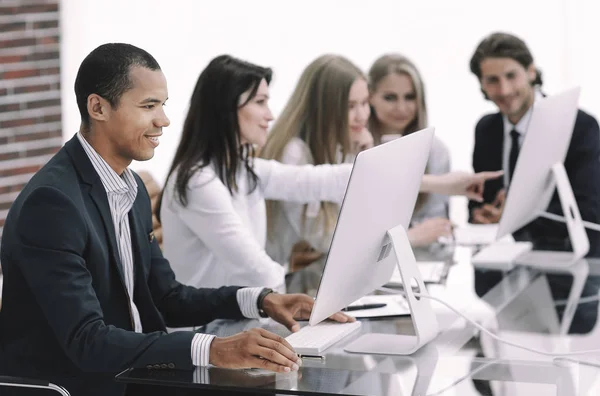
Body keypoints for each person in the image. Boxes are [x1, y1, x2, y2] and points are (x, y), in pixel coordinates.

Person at [0, 43, 353, 396]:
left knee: (280, 384)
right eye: (148, 106)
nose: (163, 120)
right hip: (83, 388)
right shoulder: (53, 204)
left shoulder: (130, 188)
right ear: (98, 107)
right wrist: (214, 349)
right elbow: (87, 340)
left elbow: (167, 296)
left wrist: (261, 300)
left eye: (163, 105)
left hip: (137, 376)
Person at [160, 54, 502, 294]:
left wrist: (442, 184)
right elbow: (259, 270)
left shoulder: (244, 170)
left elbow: (330, 180)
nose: (270, 114)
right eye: (260, 102)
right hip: (210, 331)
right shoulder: (199, 181)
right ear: (226, 111)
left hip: (243, 314)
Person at [468, 32, 600, 333]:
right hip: (503, 276)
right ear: (481, 85)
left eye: (511, 76)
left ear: (531, 71)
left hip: (573, 275)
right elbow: (480, 205)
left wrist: (516, 218)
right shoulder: (487, 130)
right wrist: (483, 217)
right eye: (492, 80)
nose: (504, 89)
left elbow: (589, 214)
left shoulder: (579, 127)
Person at [368, 53, 452, 248]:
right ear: (370, 96)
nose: (401, 107)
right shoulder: (356, 147)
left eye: (410, 97)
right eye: (390, 98)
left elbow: (436, 225)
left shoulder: (436, 151)